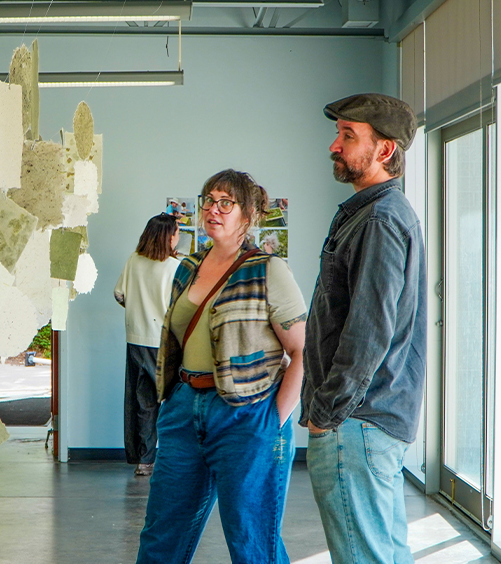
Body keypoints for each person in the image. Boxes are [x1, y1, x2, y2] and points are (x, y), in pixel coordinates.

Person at [137, 170, 307, 564]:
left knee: (251, 541)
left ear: (247, 216)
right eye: (208, 201)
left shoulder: (267, 269)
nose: (213, 209)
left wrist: (273, 419)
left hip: (245, 413)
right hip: (183, 409)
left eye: (225, 203)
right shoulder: (187, 267)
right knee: (162, 534)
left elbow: (302, 351)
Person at [301, 93, 426, 564]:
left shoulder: (378, 219)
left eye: (348, 136)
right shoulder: (372, 214)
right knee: (385, 554)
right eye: (338, 134)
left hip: (356, 421)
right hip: (371, 420)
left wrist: (326, 413)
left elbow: (369, 330)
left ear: (385, 150)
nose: (335, 146)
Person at [114, 213, 181, 476]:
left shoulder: (134, 261)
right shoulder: (175, 267)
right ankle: (175, 458)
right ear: (168, 236)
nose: (178, 237)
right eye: (176, 232)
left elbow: (119, 294)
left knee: (143, 403)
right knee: (174, 401)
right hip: (163, 343)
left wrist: (138, 309)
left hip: (135, 339)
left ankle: (144, 461)